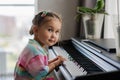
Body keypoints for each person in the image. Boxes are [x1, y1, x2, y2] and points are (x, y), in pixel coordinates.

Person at [14, 11, 66, 80]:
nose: (54, 35)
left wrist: (54, 61)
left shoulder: (33, 47)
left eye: (57, 31)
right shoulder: (34, 51)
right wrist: (55, 64)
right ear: (36, 30)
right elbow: (40, 73)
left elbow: (40, 66)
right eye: (50, 30)